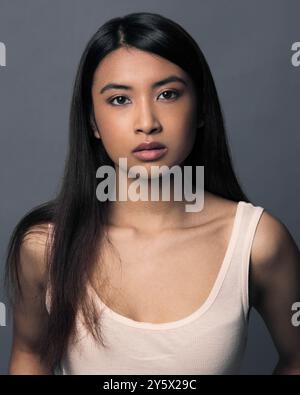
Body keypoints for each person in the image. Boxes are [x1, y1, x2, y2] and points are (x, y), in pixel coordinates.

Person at [5, 12, 300, 375]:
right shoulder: (44, 246)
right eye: (119, 100)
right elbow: (29, 354)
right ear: (93, 122)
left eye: (168, 94)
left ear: (201, 108)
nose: (147, 122)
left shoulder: (257, 241)